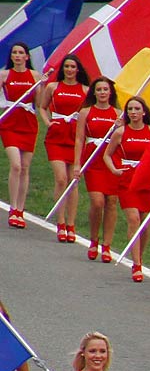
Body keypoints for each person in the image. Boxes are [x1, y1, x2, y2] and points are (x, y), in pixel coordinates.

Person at [103, 96, 150, 282]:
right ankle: (136, 264)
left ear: (144, 112)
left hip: (146, 181)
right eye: (130, 109)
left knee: (145, 223)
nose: (133, 112)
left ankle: (139, 256)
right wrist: (115, 170)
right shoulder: (120, 132)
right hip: (127, 180)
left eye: (136, 109)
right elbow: (107, 155)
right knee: (133, 220)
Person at [37, 56, 87, 244]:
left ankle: (71, 224)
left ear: (78, 69)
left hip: (75, 137)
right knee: (61, 178)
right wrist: (48, 122)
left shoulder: (85, 90)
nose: (69, 69)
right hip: (56, 136)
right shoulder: (53, 87)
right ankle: (61, 222)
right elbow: (42, 107)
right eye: (66, 66)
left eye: (73, 66)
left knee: (72, 182)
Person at [74, 78, 121, 263]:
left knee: (111, 202)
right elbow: (79, 139)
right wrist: (77, 164)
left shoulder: (118, 114)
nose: (102, 92)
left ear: (110, 93)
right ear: (94, 92)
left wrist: (119, 127)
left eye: (105, 89)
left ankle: (107, 245)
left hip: (110, 160)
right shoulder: (86, 112)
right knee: (98, 201)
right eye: (99, 89)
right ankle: (94, 239)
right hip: (93, 160)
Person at [2, 43, 37, 229]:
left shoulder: (35, 76)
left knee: (25, 167)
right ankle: (13, 207)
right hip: (9, 124)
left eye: (21, 53)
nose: (17, 55)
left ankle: (20, 210)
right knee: (15, 165)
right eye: (14, 52)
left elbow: (40, 103)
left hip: (28, 124)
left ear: (27, 57)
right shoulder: (4, 75)